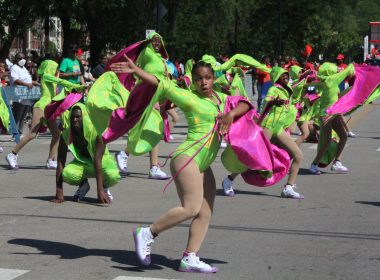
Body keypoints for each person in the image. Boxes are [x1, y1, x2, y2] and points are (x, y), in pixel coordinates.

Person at [112, 56, 250, 273]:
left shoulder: (223, 99)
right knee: (191, 207)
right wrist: (137, 70)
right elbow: (162, 84)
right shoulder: (189, 97)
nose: (203, 82)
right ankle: (147, 233)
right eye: (198, 79)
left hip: (204, 163)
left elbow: (245, 103)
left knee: (205, 212)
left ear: (214, 78)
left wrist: (230, 114)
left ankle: (190, 257)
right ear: (192, 81)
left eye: (207, 78)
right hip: (187, 158)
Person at [222, 67, 304, 199]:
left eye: (286, 75)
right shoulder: (273, 89)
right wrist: (272, 102)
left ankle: (288, 187)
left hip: (279, 128)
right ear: (276, 77)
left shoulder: (288, 90)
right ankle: (229, 180)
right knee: (252, 158)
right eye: (282, 75)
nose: (285, 77)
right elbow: (266, 101)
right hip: (267, 127)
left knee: (298, 155)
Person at [114, 32, 170, 179]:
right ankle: (126, 154)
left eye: (159, 41)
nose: (157, 43)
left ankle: (152, 167)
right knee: (145, 127)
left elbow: (160, 77)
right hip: (145, 93)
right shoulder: (146, 52)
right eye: (154, 40)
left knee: (153, 129)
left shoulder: (159, 58)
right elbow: (134, 65)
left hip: (155, 93)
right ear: (149, 41)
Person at [52, 103, 120, 203]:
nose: (75, 120)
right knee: (67, 174)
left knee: (113, 175)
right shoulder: (66, 134)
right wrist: (59, 191)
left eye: (78, 117)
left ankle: (104, 187)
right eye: (73, 117)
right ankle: (83, 185)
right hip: (82, 164)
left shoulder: (97, 132)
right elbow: (61, 162)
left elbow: (97, 160)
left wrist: (99, 190)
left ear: (84, 117)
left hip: (102, 162)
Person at [309, 62, 354, 175]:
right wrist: (354, 66)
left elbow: (339, 96)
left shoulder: (329, 82)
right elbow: (348, 70)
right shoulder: (331, 80)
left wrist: (353, 89)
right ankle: (314, 164)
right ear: (330, 72)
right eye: (334, 69)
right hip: (326, 114)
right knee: (327, 141)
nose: (337, 70)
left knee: (343, 136)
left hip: (334, 112)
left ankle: (336, 163)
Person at [9, 53, 40, 135]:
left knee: (23, 115)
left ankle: (20, 131)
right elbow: (15, 80)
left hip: (27, 94)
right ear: (16, 59)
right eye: (20, 58)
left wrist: (35, 83)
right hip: (18, 94)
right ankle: (15, 133)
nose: (22, 59)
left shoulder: (24, 68)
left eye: (24, 57)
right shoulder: (14, 68)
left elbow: (27, 80)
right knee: (18, 114)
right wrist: (27, 84)